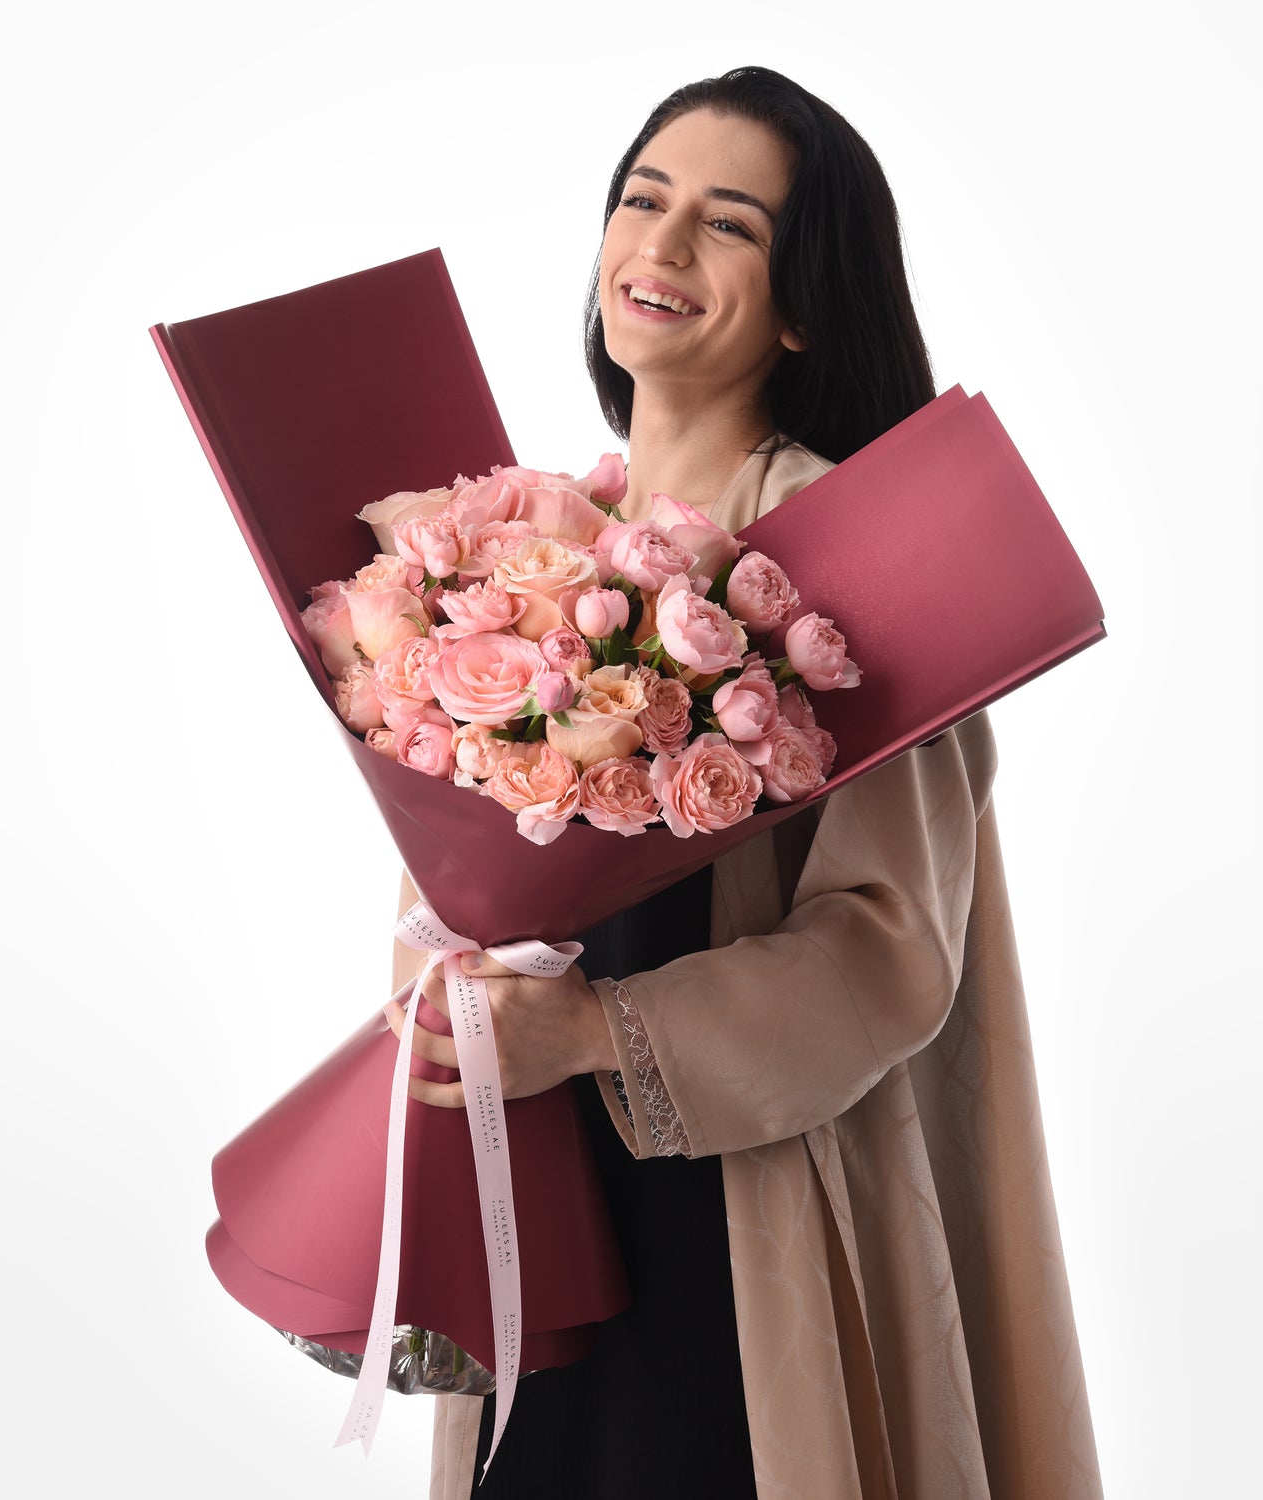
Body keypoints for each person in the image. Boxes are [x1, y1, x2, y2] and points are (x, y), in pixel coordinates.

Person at [386, 66, 1104, 1500]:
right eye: (641, 201)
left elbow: (892, 951)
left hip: (740, 1219)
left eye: (727, 225)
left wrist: (598, 1033)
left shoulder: (859, 568)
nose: (658, 246)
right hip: (546, 1209)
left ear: (799, 304)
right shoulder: (521, 547)